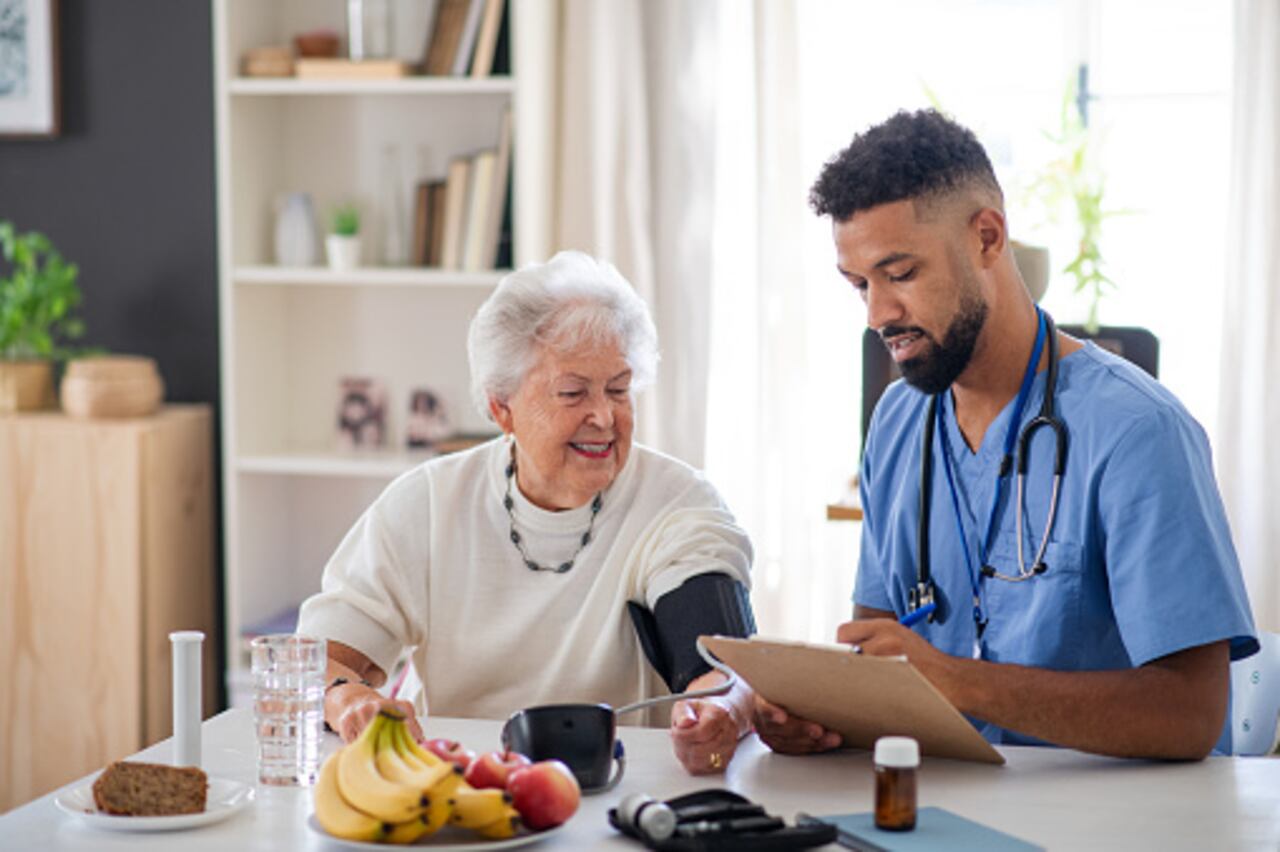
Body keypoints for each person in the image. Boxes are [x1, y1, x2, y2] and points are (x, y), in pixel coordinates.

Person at [754, 109, 1257, 760]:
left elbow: (1190, 715)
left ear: (987, 238)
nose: (878, 314)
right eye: (860, 285)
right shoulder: (899, 421)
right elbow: (878, 659)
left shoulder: (1138, 432)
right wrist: (818, 715)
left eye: (900, 274)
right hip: (941, 798)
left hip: (1108, 810)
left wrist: (960, 682)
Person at [299, 250, 756, 775]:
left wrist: (720, 711)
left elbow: (722, 665)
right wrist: (348, 699)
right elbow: (317, 660)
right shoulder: (428, 502)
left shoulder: (678, 502)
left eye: (618, 390)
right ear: (502, 408)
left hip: (620, 784)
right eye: (572, 393)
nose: (604, 417)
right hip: (455, 782)